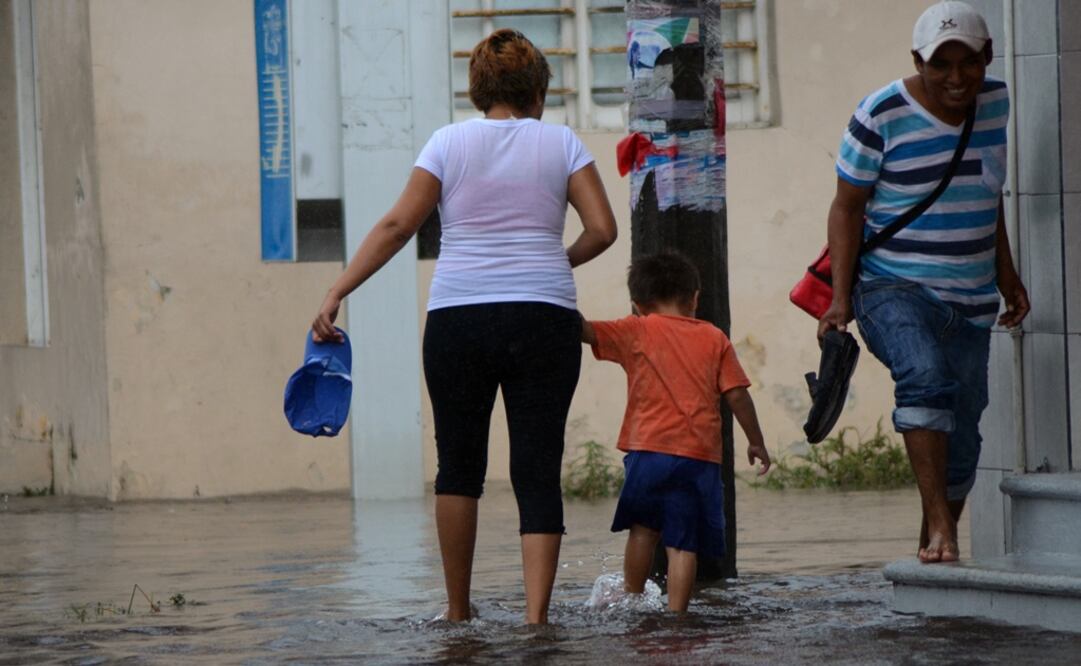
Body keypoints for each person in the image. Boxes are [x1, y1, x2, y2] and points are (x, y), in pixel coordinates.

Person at [311, 29, 618, 624]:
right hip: (544, 319)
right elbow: (603, 229)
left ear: (477, 90)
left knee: (457, 466)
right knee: (537, 467)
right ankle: (536, 621)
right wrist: (552, 263)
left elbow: (398, 226)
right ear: (538, 92)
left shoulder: (447, 143)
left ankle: (457, 613)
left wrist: (338, 290)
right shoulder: (562, 143)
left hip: (459, 318)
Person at [818, 1, 1030, 564]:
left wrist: (1006, 275)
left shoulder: (998, 104)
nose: (956, 78)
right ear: (918, 61)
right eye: (941, 64)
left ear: (987, 57)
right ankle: (941, 527)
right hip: (891, 287)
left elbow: (986, 194)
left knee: (964, 434)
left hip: (971, 298)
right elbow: (846, 208)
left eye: (969, 62)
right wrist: (839, 300)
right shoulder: (880, 113)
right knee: (925, 376)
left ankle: (932, 541)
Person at [581, 252, 771, 612]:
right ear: (695, 298)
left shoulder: (635, 329)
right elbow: (737, 395)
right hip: (697, 458)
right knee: (683, 545)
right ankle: (677, 615)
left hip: (648, 453)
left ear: (638, 304)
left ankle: (632, 600)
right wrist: (756, 441)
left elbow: (585, 330)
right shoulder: (714, 338)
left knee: (642, 531)